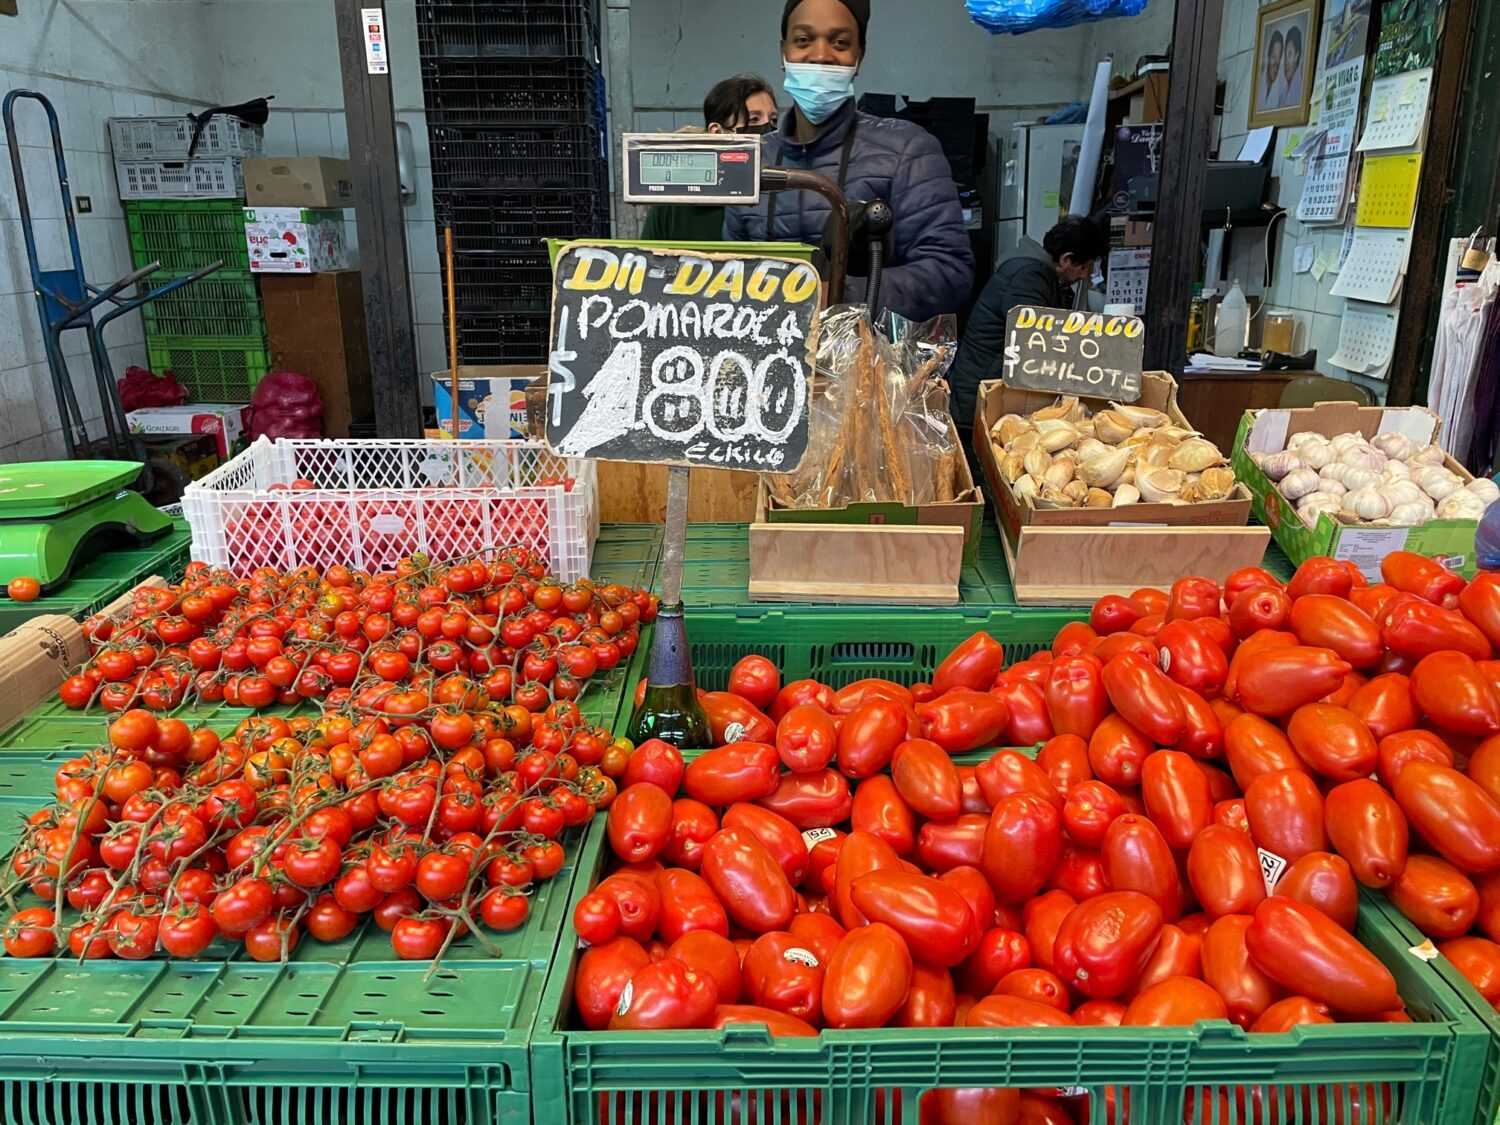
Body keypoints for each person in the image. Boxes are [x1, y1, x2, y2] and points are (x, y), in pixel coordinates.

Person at [723, 0, 973, 322]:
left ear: (859, 57)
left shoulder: (908, 150)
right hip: (768, 362)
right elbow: (729, 271)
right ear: (783, 52)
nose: (821, 54)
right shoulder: (751, 159)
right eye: (803, 40)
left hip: (871, 365)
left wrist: (834, 294)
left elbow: (949, 272)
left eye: (840, 42)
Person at [945, 214, 1110, 437]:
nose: (1085, 277)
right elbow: (1035, 342)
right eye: (1086, 268)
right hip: (981, 393)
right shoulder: (1030, 278)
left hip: (986, 387)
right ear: (1066, 260)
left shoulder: (1036, 273)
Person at [640, 75, 780, 243]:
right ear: (717, 132)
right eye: (754, 119)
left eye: (773, 120)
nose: (769, 129)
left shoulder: (782, 194)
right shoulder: (673, 205)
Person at [1277, 25, 1305, 110]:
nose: (1286, 61)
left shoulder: (1301, 88)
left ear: (1297, 55)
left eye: (1289, 54)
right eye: (1285, 55)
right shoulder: (1283, 93)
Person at [1260, 30, 1284, 111]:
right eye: (1274, 57)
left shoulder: (1281, 91)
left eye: (1279, 59)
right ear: (1268, 56)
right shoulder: (1258, 82)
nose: (1276, 65)